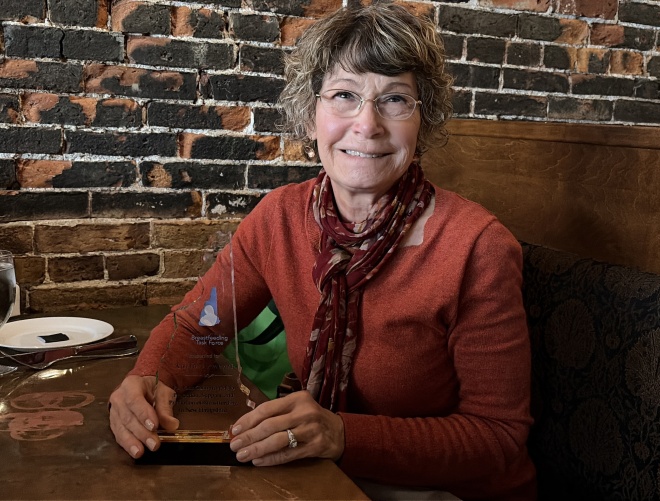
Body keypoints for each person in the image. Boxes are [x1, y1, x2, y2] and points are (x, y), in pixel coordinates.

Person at [108, 3, 536, 499]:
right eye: (344, 95)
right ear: (310, 116)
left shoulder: (477, 248)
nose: (367, 124)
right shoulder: (279, 218)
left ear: (423, 123)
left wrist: (340, 434)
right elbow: (200, 322)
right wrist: (147, 379)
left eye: (395, 99)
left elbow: (498, 436)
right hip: (325, 478)